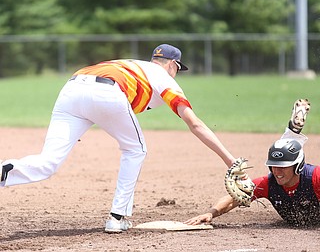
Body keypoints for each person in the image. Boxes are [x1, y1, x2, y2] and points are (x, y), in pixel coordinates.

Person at [1, 44, 238, 233]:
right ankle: (117, 217)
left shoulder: (133, 64)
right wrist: (230, 160)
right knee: (135, 150)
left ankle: (4, 171)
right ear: (173, 65)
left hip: (72, 89)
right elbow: (194, 123)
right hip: (106, 92)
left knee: (48, 162)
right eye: (178, 68)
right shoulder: (164, 77)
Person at [185, 99, 320, 227]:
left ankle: (292, 132)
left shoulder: (315, 178)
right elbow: (235, 198)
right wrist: (211, 213)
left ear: (298, 166)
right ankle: (292, 132)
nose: (277, 172)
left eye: (283, 167)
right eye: (273, 166)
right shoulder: (269, 184)